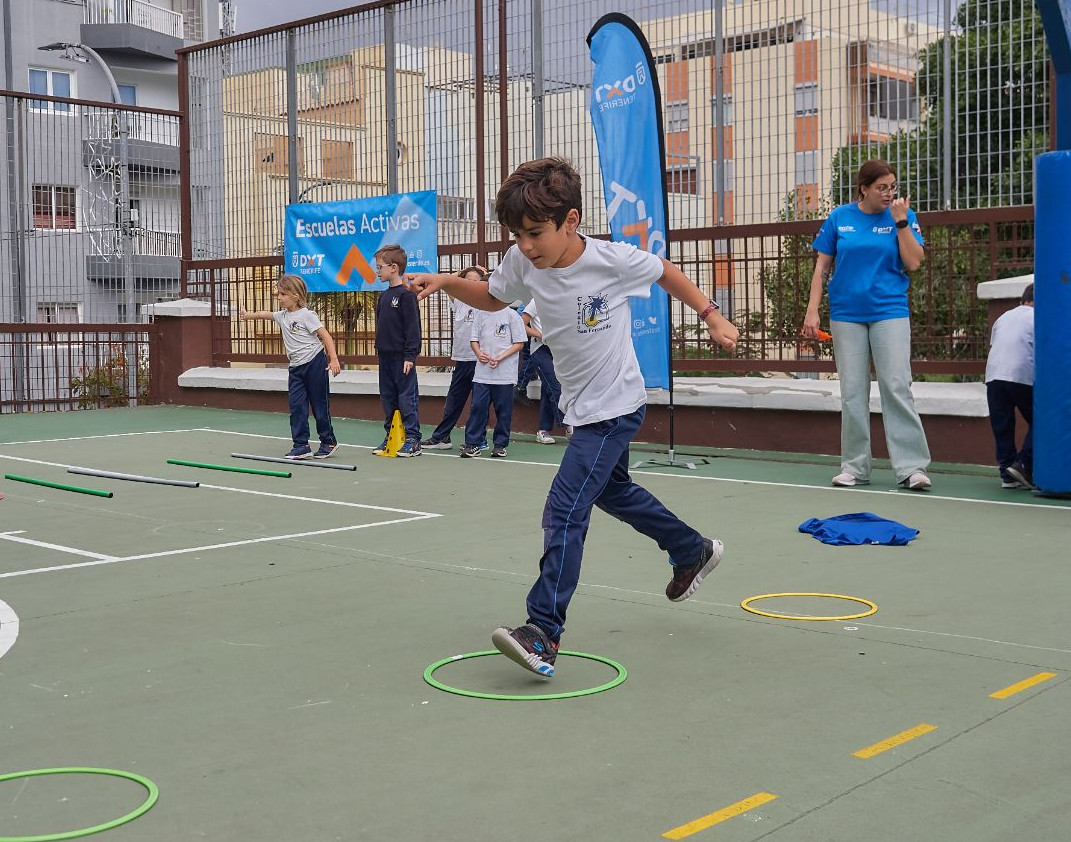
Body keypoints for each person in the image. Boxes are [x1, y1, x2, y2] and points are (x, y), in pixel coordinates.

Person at [407, 157, 739, 677]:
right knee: (612, 490)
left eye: (536, 233)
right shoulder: (524, 262)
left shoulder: (612, 260)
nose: (526, 245)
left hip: (616, 406)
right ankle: (690, 549)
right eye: (516, 235)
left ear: (571, 221)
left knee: (565, 509)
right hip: (583, 410)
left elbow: (667, 272)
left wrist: (712, 316)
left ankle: (543, 630)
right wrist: (446, 280)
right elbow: (493, 299)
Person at [802, 158, 932, 491]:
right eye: (881, 188)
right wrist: (812, 310)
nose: (889, 194)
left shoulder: (902, 216)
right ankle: (855, 468)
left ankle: (911, 467)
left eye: (893, 187)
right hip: (846, 314)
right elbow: (821, 269)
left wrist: (901, 222)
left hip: (889, 310)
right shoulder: (840, 218)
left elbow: (914, 262)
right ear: (864, 189)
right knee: (852, 392)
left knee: (896, 385)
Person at [239, 274, 341, 459]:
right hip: (296, 368)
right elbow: (265, 314)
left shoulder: (307, 315)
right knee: (297, 406)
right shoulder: (282, 316)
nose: (279, 298)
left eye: (282, 294)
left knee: (319, 405)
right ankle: (301, 445)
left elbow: (325, 336)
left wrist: (333, 359)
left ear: (295, 296)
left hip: (314, 363)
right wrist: (248, 316)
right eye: (278, 294)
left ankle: (328, 441)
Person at [423, 266, 488, 451]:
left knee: (479, 403)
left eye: (476, 281)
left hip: (480, 360)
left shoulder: (486, 302)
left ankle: (478, 439)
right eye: (468, 281)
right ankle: (442, 437)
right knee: (453, 401)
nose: (471, 285)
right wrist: (462, 273)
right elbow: (445, 280)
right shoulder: (459, 300)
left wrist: (484, 275)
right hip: (462, 359)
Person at [373, 243, 422, 457]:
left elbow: (413, 329)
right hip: (385, 357)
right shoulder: (383, 297)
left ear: (393, 267)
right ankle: (391, 435)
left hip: (402, 359)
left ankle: (413, 439)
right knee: (388, 398)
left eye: (380, 267)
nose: (377, 271)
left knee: (406, 398)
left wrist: (410, 355)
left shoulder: (406, 296)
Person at [985, 283, 1034, 489]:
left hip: (993, 375)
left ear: (1022, 300)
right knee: (1043, 422)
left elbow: (996, 344)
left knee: (1002, 425)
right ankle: (1023, 463)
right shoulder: (1040, 317)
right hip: (1022, 375)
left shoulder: (1003, 317)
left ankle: (1007, 473)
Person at [461, 305, 527, 458]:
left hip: (505, 374)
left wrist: (500, 357)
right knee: (478, 407)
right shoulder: (481, 314)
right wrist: (479, 354)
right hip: (482, 374)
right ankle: (473, 443)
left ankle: (500, 445)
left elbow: (519, 343)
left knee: (503, 411)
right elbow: (474, 340)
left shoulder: (512, 315)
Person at [521, 298, 566, 444]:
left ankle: (543, 430)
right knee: (555, 385)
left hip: (559, 349)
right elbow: (520, 324)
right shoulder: (536, 301)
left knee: (548, 388)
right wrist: (539, 335)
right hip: (540, 350)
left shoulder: (564, 299)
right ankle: (570, 425)